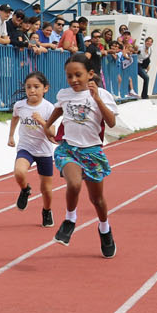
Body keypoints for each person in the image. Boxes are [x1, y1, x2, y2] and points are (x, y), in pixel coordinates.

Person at [42, 53, 119, 257]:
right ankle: (70, 219)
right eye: (69, 76)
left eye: (78, 75)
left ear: (90, 74)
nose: (74, 80)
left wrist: (97, 99)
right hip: (69, 149)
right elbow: (59, 110)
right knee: (74, 184)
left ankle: (104, 229)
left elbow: (111, 123)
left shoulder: (102, 94)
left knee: (97, 200)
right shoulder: (64, 94)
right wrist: (47, 126)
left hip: (92, 152)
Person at [8, 70, 57, 227]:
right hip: (26, 147)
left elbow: (53, 134)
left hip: (44, 150)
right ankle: (25, 189)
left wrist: (42, 122)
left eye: (36, 86)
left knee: (46, 189)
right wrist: (11, 136)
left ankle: (47, 210)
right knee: (19, 171)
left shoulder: (49, 108)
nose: (32, 90)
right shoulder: (20, 105)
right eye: (28, 87)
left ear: (45, 89)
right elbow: (15, 117)